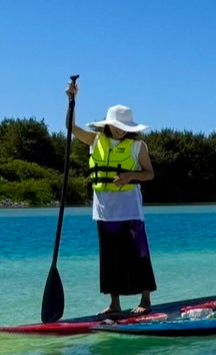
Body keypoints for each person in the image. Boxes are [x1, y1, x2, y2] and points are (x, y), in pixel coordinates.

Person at [66, 83, 157, 314]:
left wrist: (129, 176)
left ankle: (145, 300)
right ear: (108, 124)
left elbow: (149, 173)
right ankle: (115, 304)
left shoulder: (138, 146)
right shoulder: (95, 140)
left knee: (138, 255)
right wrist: (71, 100)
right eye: (117, 126)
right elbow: (71, 127)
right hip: (105, 212)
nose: (120, 130)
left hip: (131, 211)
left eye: (124, 127)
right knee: (110, 260)